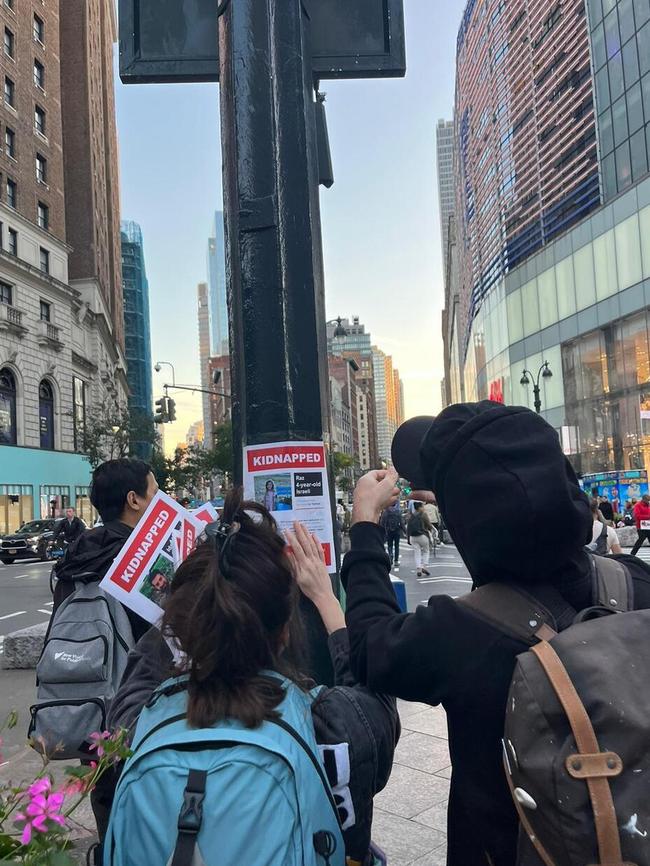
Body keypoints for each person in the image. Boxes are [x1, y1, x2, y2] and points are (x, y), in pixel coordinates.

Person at [342, 401, 650, 866]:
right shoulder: (635, 584)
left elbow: (369, 644)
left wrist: (364, 526)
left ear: (469, 522)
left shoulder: (458, 633)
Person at [97, 494, 398, 866]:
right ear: (285, 631)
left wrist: (193, 596)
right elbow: (374, 696)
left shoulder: (136, 723)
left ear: (185, 623)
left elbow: (141, 671)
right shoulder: (335, 723)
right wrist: (325, 597)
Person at [52, 458, 158, 641]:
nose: (162, 501)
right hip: (132, 667)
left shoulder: (76, 556)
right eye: (155, 494)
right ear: (133, 500)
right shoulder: (141, 556)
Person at [407, 502, 431, 577]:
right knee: (426, 551)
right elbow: (428, 524)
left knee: (417, 552)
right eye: (422, 506)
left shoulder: (411, 516)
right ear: (420, 507)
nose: (424, 508)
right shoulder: (423, 514)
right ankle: (424, 567)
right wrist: (430, 530)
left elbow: (408, 528)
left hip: (413, 537)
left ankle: (418, 569)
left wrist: (408, 539)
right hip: (422, 535)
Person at [379, 501, 404, 571]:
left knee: (390, 545)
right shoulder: (398, 512)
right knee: (397, 546)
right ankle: (396, 561)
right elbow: (401, 522)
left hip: (388, 531)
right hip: (397, 531)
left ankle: (390, 556)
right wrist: (405, 531)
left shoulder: (385, 512)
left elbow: (382, 523)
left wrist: (382, 531)